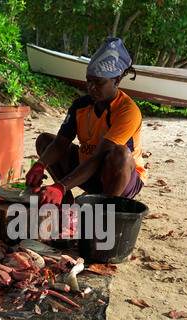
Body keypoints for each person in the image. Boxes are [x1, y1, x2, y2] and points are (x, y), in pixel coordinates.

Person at [25, 36, 148, 207]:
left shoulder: (127, 111)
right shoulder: (81, 105)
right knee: (45, 141)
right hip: (88, 169)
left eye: (98, 82)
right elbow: (60, 144)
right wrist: (39, 165)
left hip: (121, 177)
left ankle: (105, 208)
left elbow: (99, 157)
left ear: (117, 80)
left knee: (121, 154)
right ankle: (65, 200)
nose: (91, 88)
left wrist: (60, 185)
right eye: (88, 81)